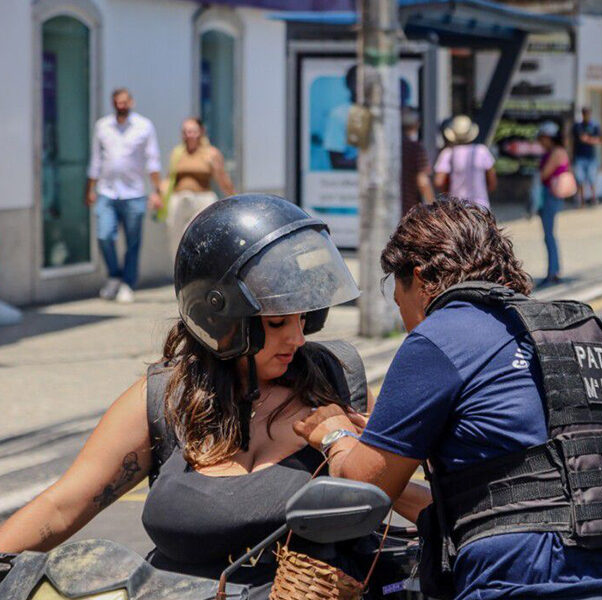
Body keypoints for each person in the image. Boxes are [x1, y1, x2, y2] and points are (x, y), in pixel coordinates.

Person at [0, 195, 420, 598]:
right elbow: (61, 507)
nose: (296, 338)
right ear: (218, 317)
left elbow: (403, 488)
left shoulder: (338, 382)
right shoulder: (167, 397)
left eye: (303, 318)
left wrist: (343, 444)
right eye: (277, 323)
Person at [292, 198, 602, 600]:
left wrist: (337, 437)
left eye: (400, 303)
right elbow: (512, 503)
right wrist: (389, 447)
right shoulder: (587, 336)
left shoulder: (442, 335)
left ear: (419, 278)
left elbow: (362, 491)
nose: (406, 323)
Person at [85, 87, 162, 303]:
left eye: (124, 102)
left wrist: (157, 191)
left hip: (134, 193)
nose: (121, 105)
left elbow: (152, 160)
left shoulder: (144, 126)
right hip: (107, 192)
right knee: (104, 235)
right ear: (113, 104)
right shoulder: (102, 126)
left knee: (133, 242)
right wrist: (89, 189)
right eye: (117, 102)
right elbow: (96, 160)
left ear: (131, 102)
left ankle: (127, 283)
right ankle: (114, 276)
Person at [163, 117, 235, 258]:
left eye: (192, 131)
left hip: (202, 199)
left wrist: (233, 198)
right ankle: (179, 267)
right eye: (185, 132)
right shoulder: (177, 153)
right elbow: (169, 178)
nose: (189, 135)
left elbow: (222, 178)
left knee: (198, 236)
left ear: (201, 132)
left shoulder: (211, 153)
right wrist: (159, 195)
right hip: (179, 199)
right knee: (176, 239)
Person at [433, 115, 496, 208]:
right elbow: (492, 180)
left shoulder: (448, 153)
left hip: (457, 207)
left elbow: (439, 181)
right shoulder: (482, 151)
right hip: (481, 206)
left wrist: (448, 194)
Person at [535, 121, 570, 287]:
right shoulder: (553, 151)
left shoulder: (557, 152)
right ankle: (553, 271)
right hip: (548, 196)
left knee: (549, 236)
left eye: (542, 138)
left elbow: (544, 174)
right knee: (548, 235)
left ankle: (553, 272)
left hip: (550, 196)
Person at [400, 107, 435, 216]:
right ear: (416, 125)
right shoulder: (416, 148)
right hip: (409, 210)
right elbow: (422, 181)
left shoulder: (391, 147)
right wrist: (434, 208)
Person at [571, 106, 602, 207]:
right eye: (585, 113)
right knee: (580, 180)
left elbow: (599, 140)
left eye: (588, 113)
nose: (586, 115)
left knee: (592, 179)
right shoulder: (577, 126)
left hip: (591, 157)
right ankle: (582, 200)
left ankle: (594, 199)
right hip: (579, 157)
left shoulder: (595, 125)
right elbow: (571, 141)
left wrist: (587, 139)